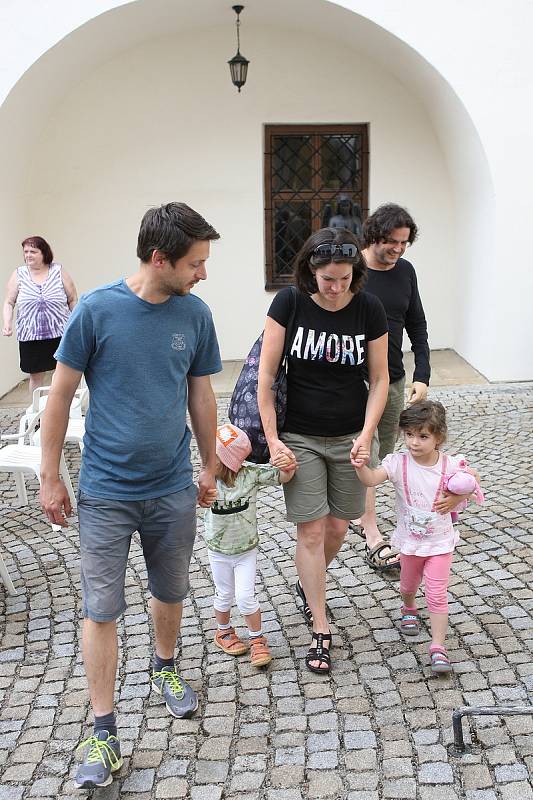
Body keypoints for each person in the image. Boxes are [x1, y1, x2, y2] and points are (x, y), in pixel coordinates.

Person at [39, 202, 221, 790]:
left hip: (170, 487)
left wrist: (210, 464)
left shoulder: (194, 315)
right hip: (106, 493)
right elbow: (61, 398)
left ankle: (164, 668)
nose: (202, 273)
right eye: (195, 263)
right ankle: (104, 727)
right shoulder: (96, 310)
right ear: (159, 258)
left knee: (170, 592)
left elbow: (200, 397)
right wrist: (50, 475)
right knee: (101, 608)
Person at [258, 227, 389, 675]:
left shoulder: (368, 308)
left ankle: (308, 582)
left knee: (338, 526)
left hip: (351, 435)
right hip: (301, 437)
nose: (336, 288)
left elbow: (381, 379)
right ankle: (320, 623)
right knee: (311, 533)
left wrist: (368, 433)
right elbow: (266, 377)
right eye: (327, 279)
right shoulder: (289, 303)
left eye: (345, 278)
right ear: (310, 273)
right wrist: (274, 440)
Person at [353, 400, 482, 673]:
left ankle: (438, 647)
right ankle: (409, 608)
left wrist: (458, 495)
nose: (414, 442)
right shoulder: (398, 463)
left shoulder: (450, 465)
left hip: (440, 543)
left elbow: (473, 480)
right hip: (410, 542)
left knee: (436, 593)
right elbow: (371, 479)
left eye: (423, 436)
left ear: (439, 437)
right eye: (409, 434)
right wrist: (359, 466)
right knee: (408, 585)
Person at [353, 203, 430, 571]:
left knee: (380, 451)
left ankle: (359, 512)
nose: (397, 249)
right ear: (373, 236)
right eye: (391, 242)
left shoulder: (406, 271)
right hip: (352, 378)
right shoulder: (352, 271)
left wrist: (423, 374)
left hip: (393, 377)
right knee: (358, 445)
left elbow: (417, 323)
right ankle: (367, 525)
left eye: (404, 242)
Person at [204, 423, 296, 668]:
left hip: (246, 550)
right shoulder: (207, 479)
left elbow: (282, 477)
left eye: (211, 454)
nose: (205, 457)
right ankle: (223, 632)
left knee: (245, 596)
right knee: (223, 594)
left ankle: (257, 639)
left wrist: (287, 464)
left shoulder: (251, 474)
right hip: (218, 550)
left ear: (228, 460)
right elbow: (191, 499)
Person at [2, 236, 77, 395]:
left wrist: (76, 323)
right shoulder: (19, 274)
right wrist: (7, 324)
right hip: (30, 336)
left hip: (60, 333)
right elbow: (9, 302)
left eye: (33, 251)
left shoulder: (58, 271)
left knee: (62, 374)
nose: (28, 255)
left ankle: (60, 410)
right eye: (26, 251)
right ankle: (37, 412)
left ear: (44, 253)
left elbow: (72, 299)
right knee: (35, 376)